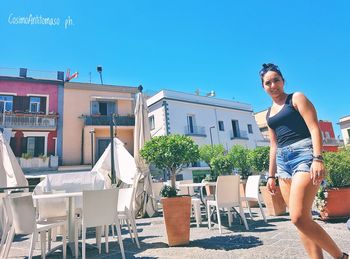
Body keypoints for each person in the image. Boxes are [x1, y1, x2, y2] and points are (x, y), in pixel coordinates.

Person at [260, 63, 348, 259]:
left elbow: (314, 128)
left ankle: (340, 257)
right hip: (283, 162)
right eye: (268, 83)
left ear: (283, 81)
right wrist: (271, 175)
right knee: (303, 222)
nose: (273, 85)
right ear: (263, 87)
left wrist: (318, 158)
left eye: (276, 80)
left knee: (298, 217)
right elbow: (273, 145)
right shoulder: (268, 114)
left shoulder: (296, 98)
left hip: (304, 155)